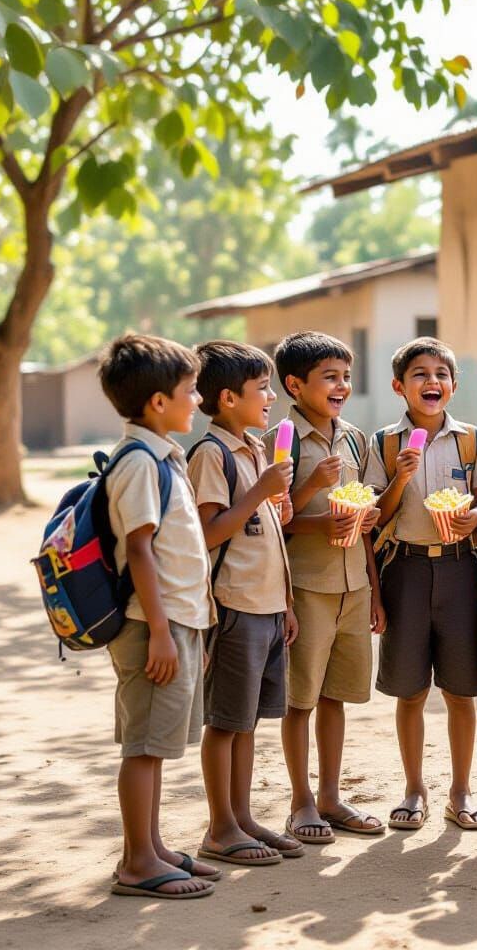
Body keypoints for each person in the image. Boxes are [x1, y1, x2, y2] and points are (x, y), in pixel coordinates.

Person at [98, 334, 218, 900]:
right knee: (144, 747)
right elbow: (141, 550)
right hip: (152, 627)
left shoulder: (161, 455)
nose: (198, 400)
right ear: (158, 404)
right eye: (191, 391)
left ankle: (151, 846)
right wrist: (164, 635)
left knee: (159, 743)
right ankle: (137, 863)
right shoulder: (140, 463)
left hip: (174, 624)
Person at [364, 337, 477, 832]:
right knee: (410, 690)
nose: (431, 382)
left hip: (460, 569)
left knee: (461, 691)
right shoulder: (385, 444)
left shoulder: (473, 440)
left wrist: (474, 518)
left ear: (454, 386)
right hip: (407, 570)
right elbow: (375, 516)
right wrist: (400, 478)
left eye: (441, 374)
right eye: (419, 374)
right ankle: (414, 788)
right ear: (400, 386)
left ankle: (461, 790)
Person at [186, 340, 303, 867]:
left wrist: (288, 604)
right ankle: (220, 827)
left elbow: (269, 534)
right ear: (228, 398)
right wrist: (258, 493)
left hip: (267, 605)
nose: (272, 398)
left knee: (250, 720)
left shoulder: (256, 448)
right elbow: (207, 534)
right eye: (262, 389)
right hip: (233, 605)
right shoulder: (211, 454)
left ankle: (243, 816)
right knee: (226, 722)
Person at [267, 331, 384, 844]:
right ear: (294, 384)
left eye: (345, 376)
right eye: (329, 377)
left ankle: (333, 796)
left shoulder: (356, 438)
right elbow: (273, 520)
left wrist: (375, 586)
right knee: (301, 699)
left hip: (354, 583)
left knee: (336, 696)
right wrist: (314, 497)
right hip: (306, 587)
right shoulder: (278, 441)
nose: (341, 386)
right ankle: (301, 801)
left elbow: (364, 517)